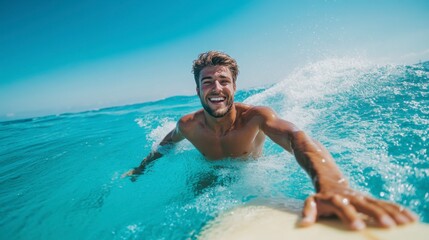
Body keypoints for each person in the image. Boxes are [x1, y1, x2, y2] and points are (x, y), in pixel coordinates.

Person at [122, 51, 418, 230]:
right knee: (190, 212)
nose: (216, 87)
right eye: (207, 81)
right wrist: (140, 168)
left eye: (224, 80)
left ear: (234, 86)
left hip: (248, 171)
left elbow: (295, 138)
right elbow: (166, 144)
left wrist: (330, 185)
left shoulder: (257, 118)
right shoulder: (188, 124)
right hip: (208, 171)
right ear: (198, 90)